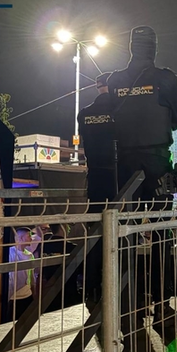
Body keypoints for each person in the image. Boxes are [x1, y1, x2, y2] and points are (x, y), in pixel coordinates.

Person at [107, 25, 177, 348]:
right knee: (162, 235)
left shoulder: (115, 80)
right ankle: (162, 307)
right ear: (153, 48)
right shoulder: (166, 78)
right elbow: (176, 120)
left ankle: (129, 309)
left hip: (124, 165)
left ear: (130, 47)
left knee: (124, 238)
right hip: (156, 164)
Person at [77, 72, 116, 307]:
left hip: (95, 177)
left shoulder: (84, 113)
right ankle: (114, 289)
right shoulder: (119, 110)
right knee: (117, 234)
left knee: (95, 232)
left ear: (97, 87)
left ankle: (91, 290)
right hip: (116, 178)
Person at [8, 228, 37, 321]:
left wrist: (33, 291)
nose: (31, 238)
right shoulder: (9, 252)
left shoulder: (30, 255)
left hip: (27, 294)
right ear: (20, 238)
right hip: (13, 296)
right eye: (28, 236)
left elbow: (31, 276)